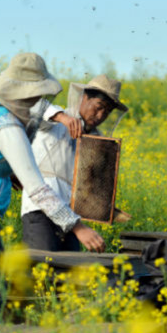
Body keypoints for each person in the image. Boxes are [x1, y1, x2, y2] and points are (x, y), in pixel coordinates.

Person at [0, 53, 105, 290]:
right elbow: (38, 190)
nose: (38, 98)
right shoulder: (9, 127)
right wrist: (78, 227)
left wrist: (6, 171)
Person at [21, 74, 129, 251]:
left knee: (69, 273)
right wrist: (62, 117)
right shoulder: (54, 122)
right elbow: (29, 105)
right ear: (84, 98)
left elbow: (87, 188)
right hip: (40, 212)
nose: (100, 115)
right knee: (43, 271)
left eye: (107, 112)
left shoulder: (95, 141)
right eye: (98, 107)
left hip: (71, 219)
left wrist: (105, 208)